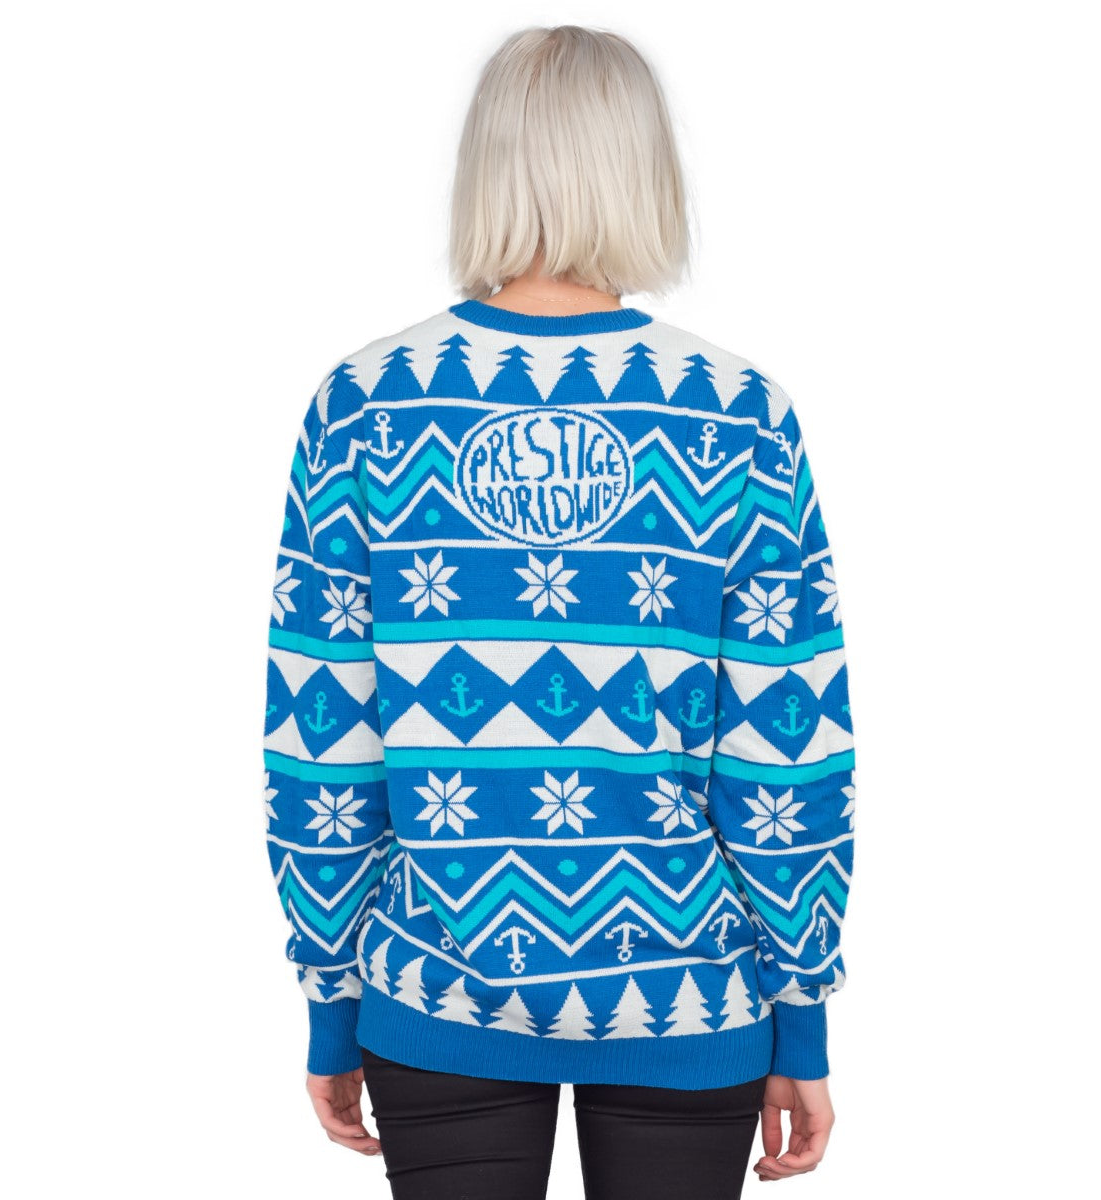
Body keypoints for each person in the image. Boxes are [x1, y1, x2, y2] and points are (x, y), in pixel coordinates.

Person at [260, 23, 856, 1200]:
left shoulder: (365, 405)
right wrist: (801, 1012)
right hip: (688, 987)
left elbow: (321, 735)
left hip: (435, 982)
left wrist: (333, 996)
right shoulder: (736, 414)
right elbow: (786, 747)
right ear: (646, 172)